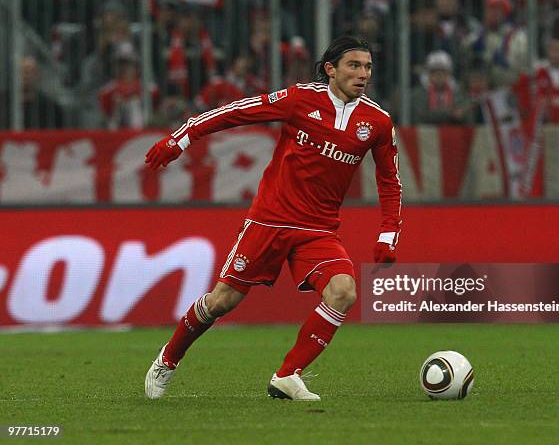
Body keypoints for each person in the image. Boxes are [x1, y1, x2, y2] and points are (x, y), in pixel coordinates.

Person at [143, 36, 402, 401]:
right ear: (331, 69)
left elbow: (390, 181)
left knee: (343, 291)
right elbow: (235, 111)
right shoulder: (301, 98)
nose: (363, 74)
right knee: (222, 302)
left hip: (318, 229)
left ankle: (287, 375)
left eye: (368, 67)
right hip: (270, 220)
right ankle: (168, 359)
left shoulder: (376, 121)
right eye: (354, 66)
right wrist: (181, 138)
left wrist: (389, 233)